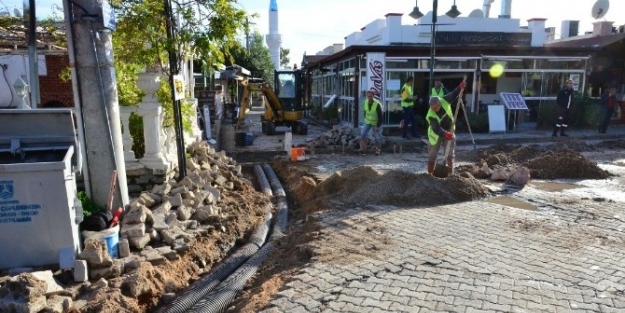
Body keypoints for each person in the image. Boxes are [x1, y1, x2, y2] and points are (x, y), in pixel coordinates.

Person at [425, 81, 466, 175]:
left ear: (439, 104)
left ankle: (450, 175)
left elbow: (454, 93)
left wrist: (460, 87)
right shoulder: (431, 115)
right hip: (436, 134)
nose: (433, 110)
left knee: (450, 155)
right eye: (431, 107)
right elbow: (436, 128)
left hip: (449, 129)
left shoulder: (444, 100)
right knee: (432, 155)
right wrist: (444, 133)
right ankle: (429, 175)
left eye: (435, 108)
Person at [357, 91, 383, 155]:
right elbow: (365, 112)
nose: (369, 97)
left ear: (373, 96)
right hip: (368, 121)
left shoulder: (377, 104)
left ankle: (378, 150)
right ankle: (362, 148)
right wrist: (365, 118)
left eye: (370, 96)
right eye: (368, 96)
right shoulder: (366, 102)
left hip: (375, 122)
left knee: (377, 137)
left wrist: (378, 126)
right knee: (363, 134)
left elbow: (381, 116)